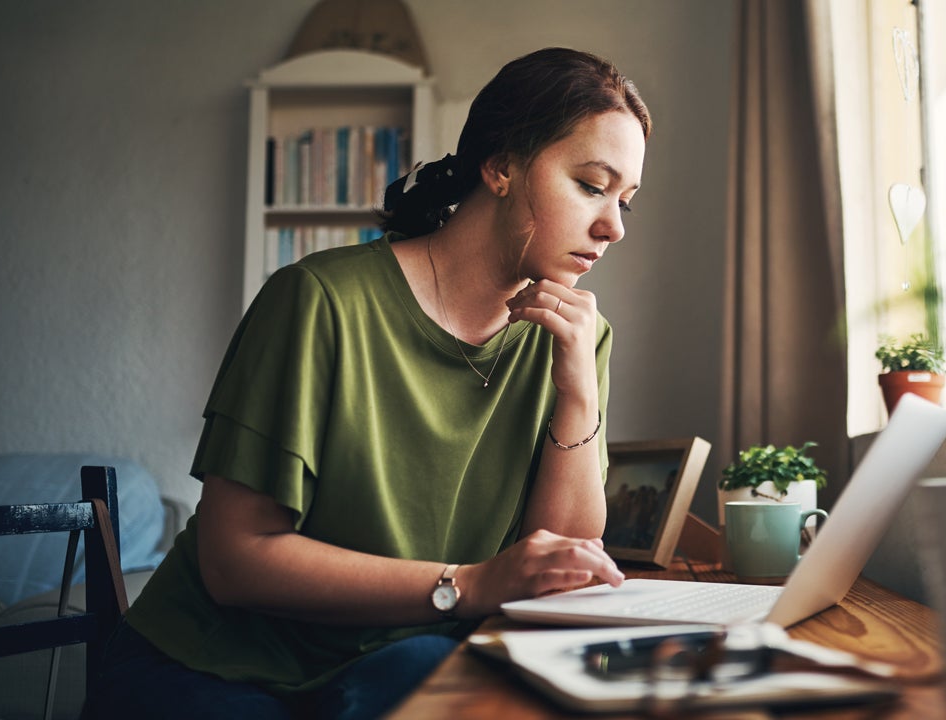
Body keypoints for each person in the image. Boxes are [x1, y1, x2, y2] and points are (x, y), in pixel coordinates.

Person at [86, 47, 651, 719]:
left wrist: (578, 393)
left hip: (397, 658)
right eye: (591, 184)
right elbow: (234, 561)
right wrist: (465, 585)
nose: (613, 226)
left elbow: (558, 567)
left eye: (626, 200)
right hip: (220, 664)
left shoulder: (577, 339)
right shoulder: (318, 300)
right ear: (501, 166)